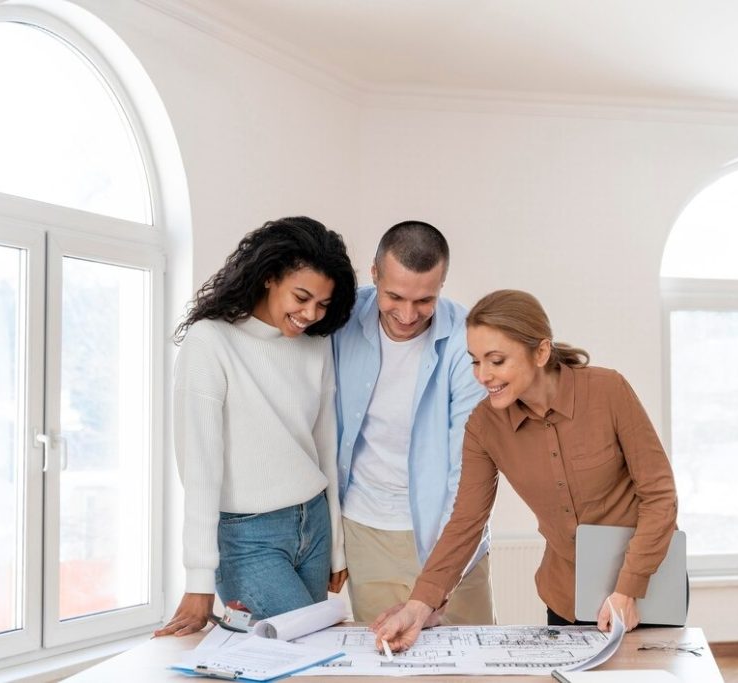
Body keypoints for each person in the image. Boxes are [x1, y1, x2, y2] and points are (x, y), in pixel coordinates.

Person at [374, 289, 678, 651]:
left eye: (496, 360)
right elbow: (465, 523)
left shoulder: (608, 390)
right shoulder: (484, 426)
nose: (483, 375)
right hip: (567, 599)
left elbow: (660, 497)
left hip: (647, 591)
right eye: (475, 361)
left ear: (541, 352)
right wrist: (420, 605)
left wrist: (628, 588)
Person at [154, 216, 357, 637]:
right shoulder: (209, 342)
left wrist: (336, 545)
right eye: (301, 297)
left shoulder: (316, 344)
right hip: (249, 538)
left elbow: (325, 445)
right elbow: (201, 469)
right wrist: (198, 582)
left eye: (321, 304)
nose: (310, 314)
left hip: (314, 523)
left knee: (300, 661)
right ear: (269, 278)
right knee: (313, 657)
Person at [333, 221, 494, 625]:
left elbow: (468, 463)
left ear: (442, 283)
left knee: (467, 666)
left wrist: (443, 568)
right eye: (395, 296)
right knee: (385, 661)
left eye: (425, 300)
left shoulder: (466, 338)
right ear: (374, 274)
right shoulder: (342, 320)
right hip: (366, 528)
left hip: (448, 533)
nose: (407, 315)